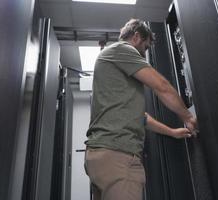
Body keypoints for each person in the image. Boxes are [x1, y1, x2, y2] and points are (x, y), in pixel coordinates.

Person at [84, 19, 198, 200]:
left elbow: (141, 118)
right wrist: (189, 117)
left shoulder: (113, 63)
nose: (144, 55)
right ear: (136, 37)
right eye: (145, 48)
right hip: (118, 155)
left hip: (102, 156)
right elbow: (161, 86)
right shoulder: (123, 49)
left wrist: (172, 132)